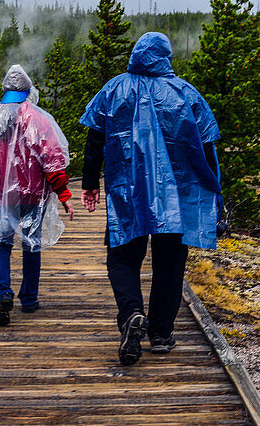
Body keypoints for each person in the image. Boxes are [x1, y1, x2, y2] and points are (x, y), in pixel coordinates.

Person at [81, 32, 222, 366]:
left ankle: (131, 314)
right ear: (167, 56)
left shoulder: (114, 89)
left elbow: (94, 139)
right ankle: (160, 334)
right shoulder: (186, 93)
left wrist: (89, 183)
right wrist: (214, 191)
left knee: (122, 259)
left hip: (127, 194)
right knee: (170, 263)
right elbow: (207, 148)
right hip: (176, 198)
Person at [0, 64, 75, 327]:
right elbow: (52, 158)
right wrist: (63, 192)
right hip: (32, 193)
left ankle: (3, 294)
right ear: (28, 90)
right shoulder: (38, 118)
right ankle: (29, 299)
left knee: (1, 244)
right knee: (31, 243)